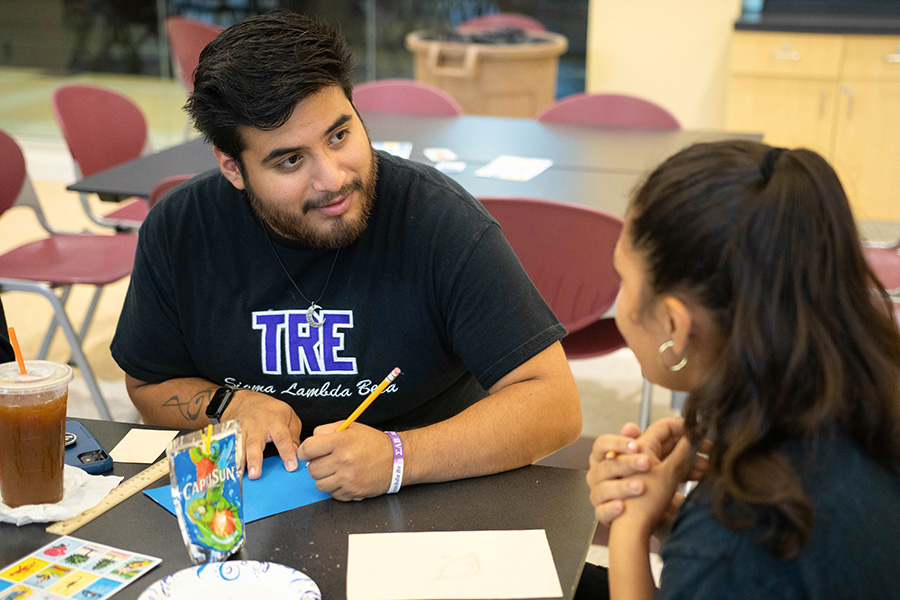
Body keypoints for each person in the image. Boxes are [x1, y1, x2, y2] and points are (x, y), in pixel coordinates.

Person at [111, 10, 581, 501]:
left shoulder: (440, 221)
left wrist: (399, 458)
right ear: (233, 167)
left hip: (429, 493)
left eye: (340, 135)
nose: (333, 178)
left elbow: (554, 403)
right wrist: (227, 403)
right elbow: (148, 384)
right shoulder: (181, 229)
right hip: (256, 505)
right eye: (291, 160)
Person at [580, 140, 900, 598]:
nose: (621, 304)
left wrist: (631, 533)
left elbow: (743, 567)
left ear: (675, 323)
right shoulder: (863, 399)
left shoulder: (737, 535)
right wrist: (675, 526)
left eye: (624, 280)